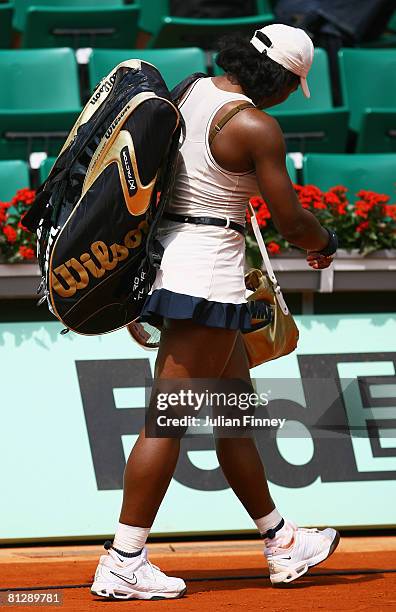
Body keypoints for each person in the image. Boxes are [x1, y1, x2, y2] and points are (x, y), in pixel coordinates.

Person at [91, 24, 339, 601]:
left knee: (234, 418)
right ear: (280, 80)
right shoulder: (256, 124)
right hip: (204, 280)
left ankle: (281, 541)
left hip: (182, 265)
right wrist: (322, 243)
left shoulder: (190, 90)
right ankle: (124, 559)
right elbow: (292, 222)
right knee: (167, 422)